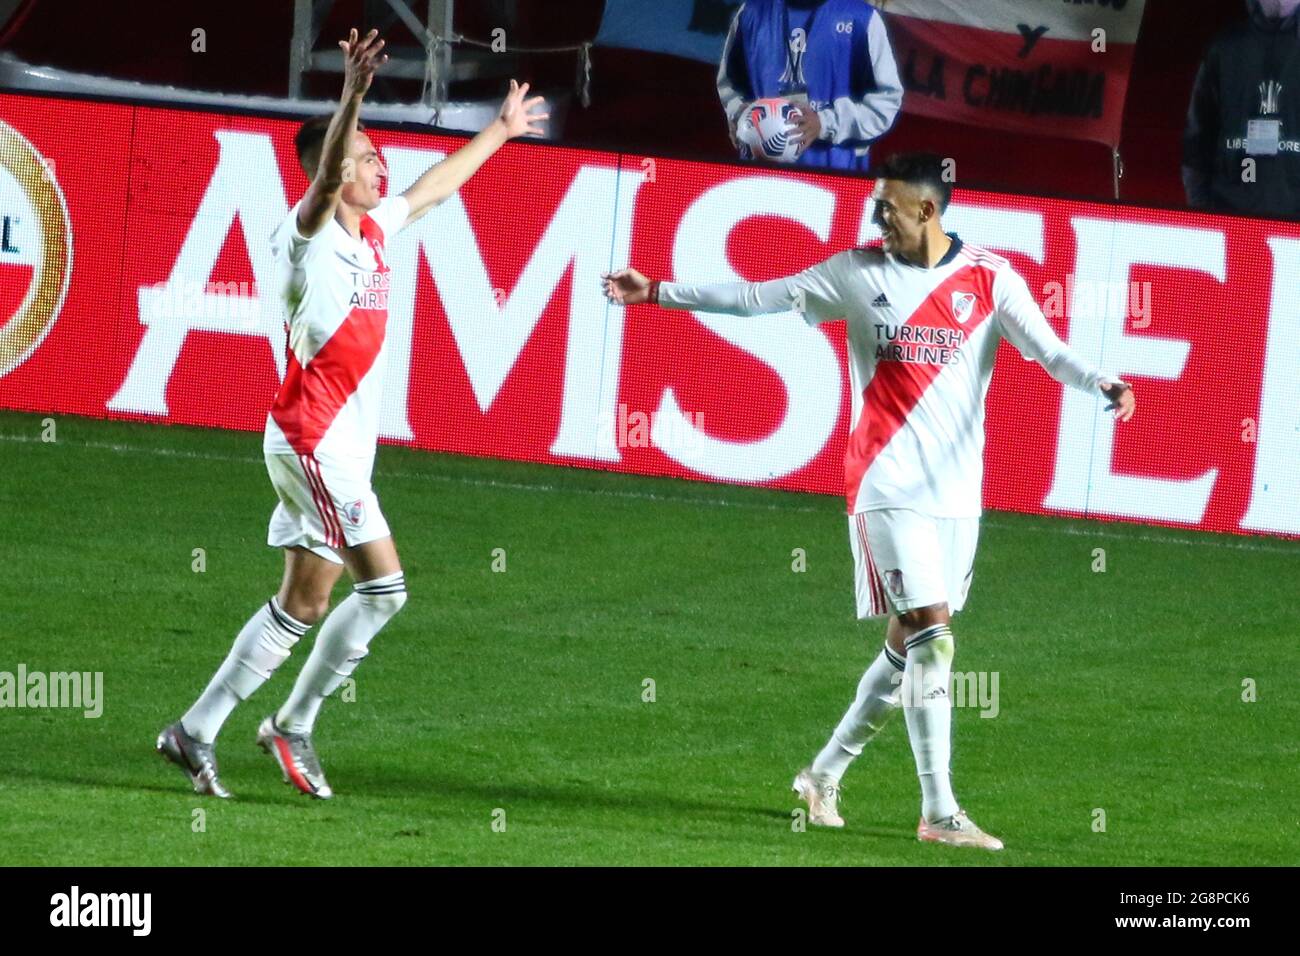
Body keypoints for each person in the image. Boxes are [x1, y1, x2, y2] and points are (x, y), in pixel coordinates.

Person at [602, 153, 1136, 850]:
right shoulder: (854, 274)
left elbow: (1049, 351)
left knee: (906, 650)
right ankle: (940, 812)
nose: (876, 217)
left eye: (889, 207)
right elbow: (761, 296)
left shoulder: (990, 277)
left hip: (957, 496)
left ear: (927, 211)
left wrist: (1103, 381)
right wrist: (660, 292)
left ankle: (822, 775)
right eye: (875, 206)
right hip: (882, 484)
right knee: (935, 642)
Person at [156, 28, 547, 799]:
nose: (379, 165)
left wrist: (499, 131)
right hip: (314, 442)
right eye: (368, 157)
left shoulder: (372, 233)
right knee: (387, 590)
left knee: (304, 599)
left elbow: (435, 187)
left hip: (335, 446)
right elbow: (332, 167)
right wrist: (352, 96)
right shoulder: (308, 235)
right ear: (333, 172)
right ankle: (292, 724)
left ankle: (193, 732)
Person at [718, 0, 903, 171]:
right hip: (759, 169)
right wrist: (737, 113)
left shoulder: (862, 18)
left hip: (834, 173)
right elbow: (730, 85)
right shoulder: (751, 12)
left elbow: (886, 103)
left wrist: (824, 123)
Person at [1184, 0, 1300, 217]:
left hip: (1294, 234)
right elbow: (1197, 145)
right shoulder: (1224, 48)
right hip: (1231, 220)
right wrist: (1204, 214)